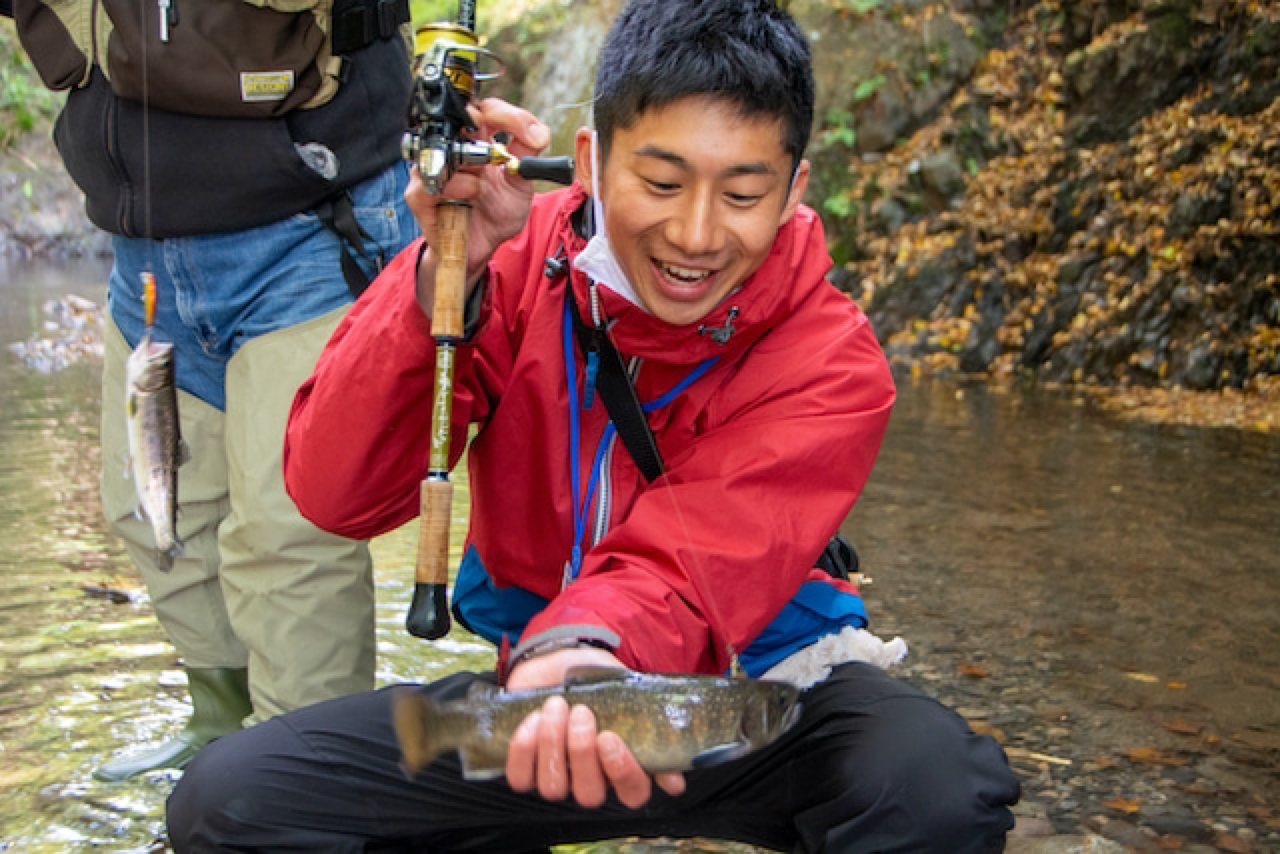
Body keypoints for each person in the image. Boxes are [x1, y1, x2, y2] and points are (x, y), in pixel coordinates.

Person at [168, 0, 1021, 850]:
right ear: (589, 162)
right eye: (659, 183)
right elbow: (336, 491)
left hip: (764, 710)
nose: (694, 234)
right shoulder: (511, 265)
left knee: (935, 785)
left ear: (794, 190)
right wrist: (444, 275)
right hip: (551, 715)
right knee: (233, 798)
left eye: (743, 193)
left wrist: (583, 650)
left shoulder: (834, 359)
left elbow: (688, 561)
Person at [4, 0, 421, 778]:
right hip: (143, 251)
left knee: (290, 536)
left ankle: (301, 777)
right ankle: (222, 724)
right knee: (154, 511)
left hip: (318, 225)